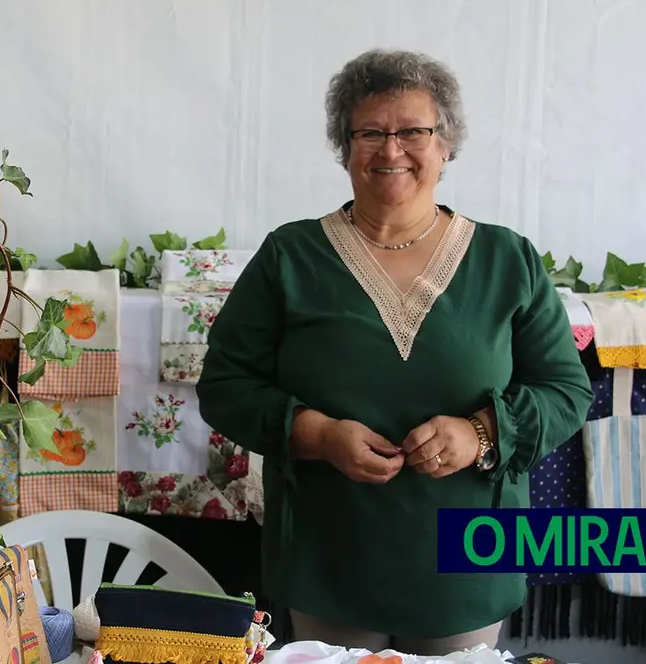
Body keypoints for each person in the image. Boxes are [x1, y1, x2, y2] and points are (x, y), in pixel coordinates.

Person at [195, 49, 593, 656]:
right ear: (344, 146)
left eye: (413, 131)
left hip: (466, 561)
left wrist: (481, 433)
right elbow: (225, 384)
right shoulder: (290, 257)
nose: (391, 150)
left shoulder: (507, 260)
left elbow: (566, 391)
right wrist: (317, 434)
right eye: (370, 133)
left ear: (446, 145)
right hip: (331, 557)